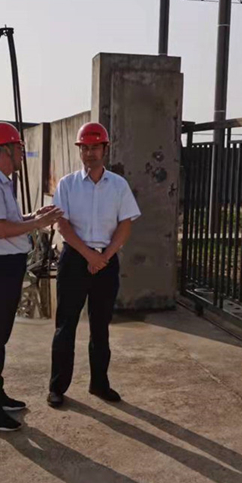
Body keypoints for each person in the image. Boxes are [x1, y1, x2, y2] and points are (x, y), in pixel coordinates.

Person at [0, 121, 63, 432]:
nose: (22, 153)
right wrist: (36, 224)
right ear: (4, 150)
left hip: (6, 267)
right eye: (18, 148)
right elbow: (0, 229)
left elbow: (10, 220)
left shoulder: (1, 182)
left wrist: (34, 217)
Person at [47, 122, 141, 408]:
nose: (90, 153)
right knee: (66, 326)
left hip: (106, 262)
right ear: (80, 150)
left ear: (105, 149)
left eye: (95, 147)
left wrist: (105, 256)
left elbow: (125, 224)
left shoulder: (118, 185)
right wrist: (89, 256)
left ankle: (99, 384)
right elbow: (62, 225)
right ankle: (57, 387)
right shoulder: (67, 184)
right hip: (75, 260)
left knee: (100, 327)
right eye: (85, 148)